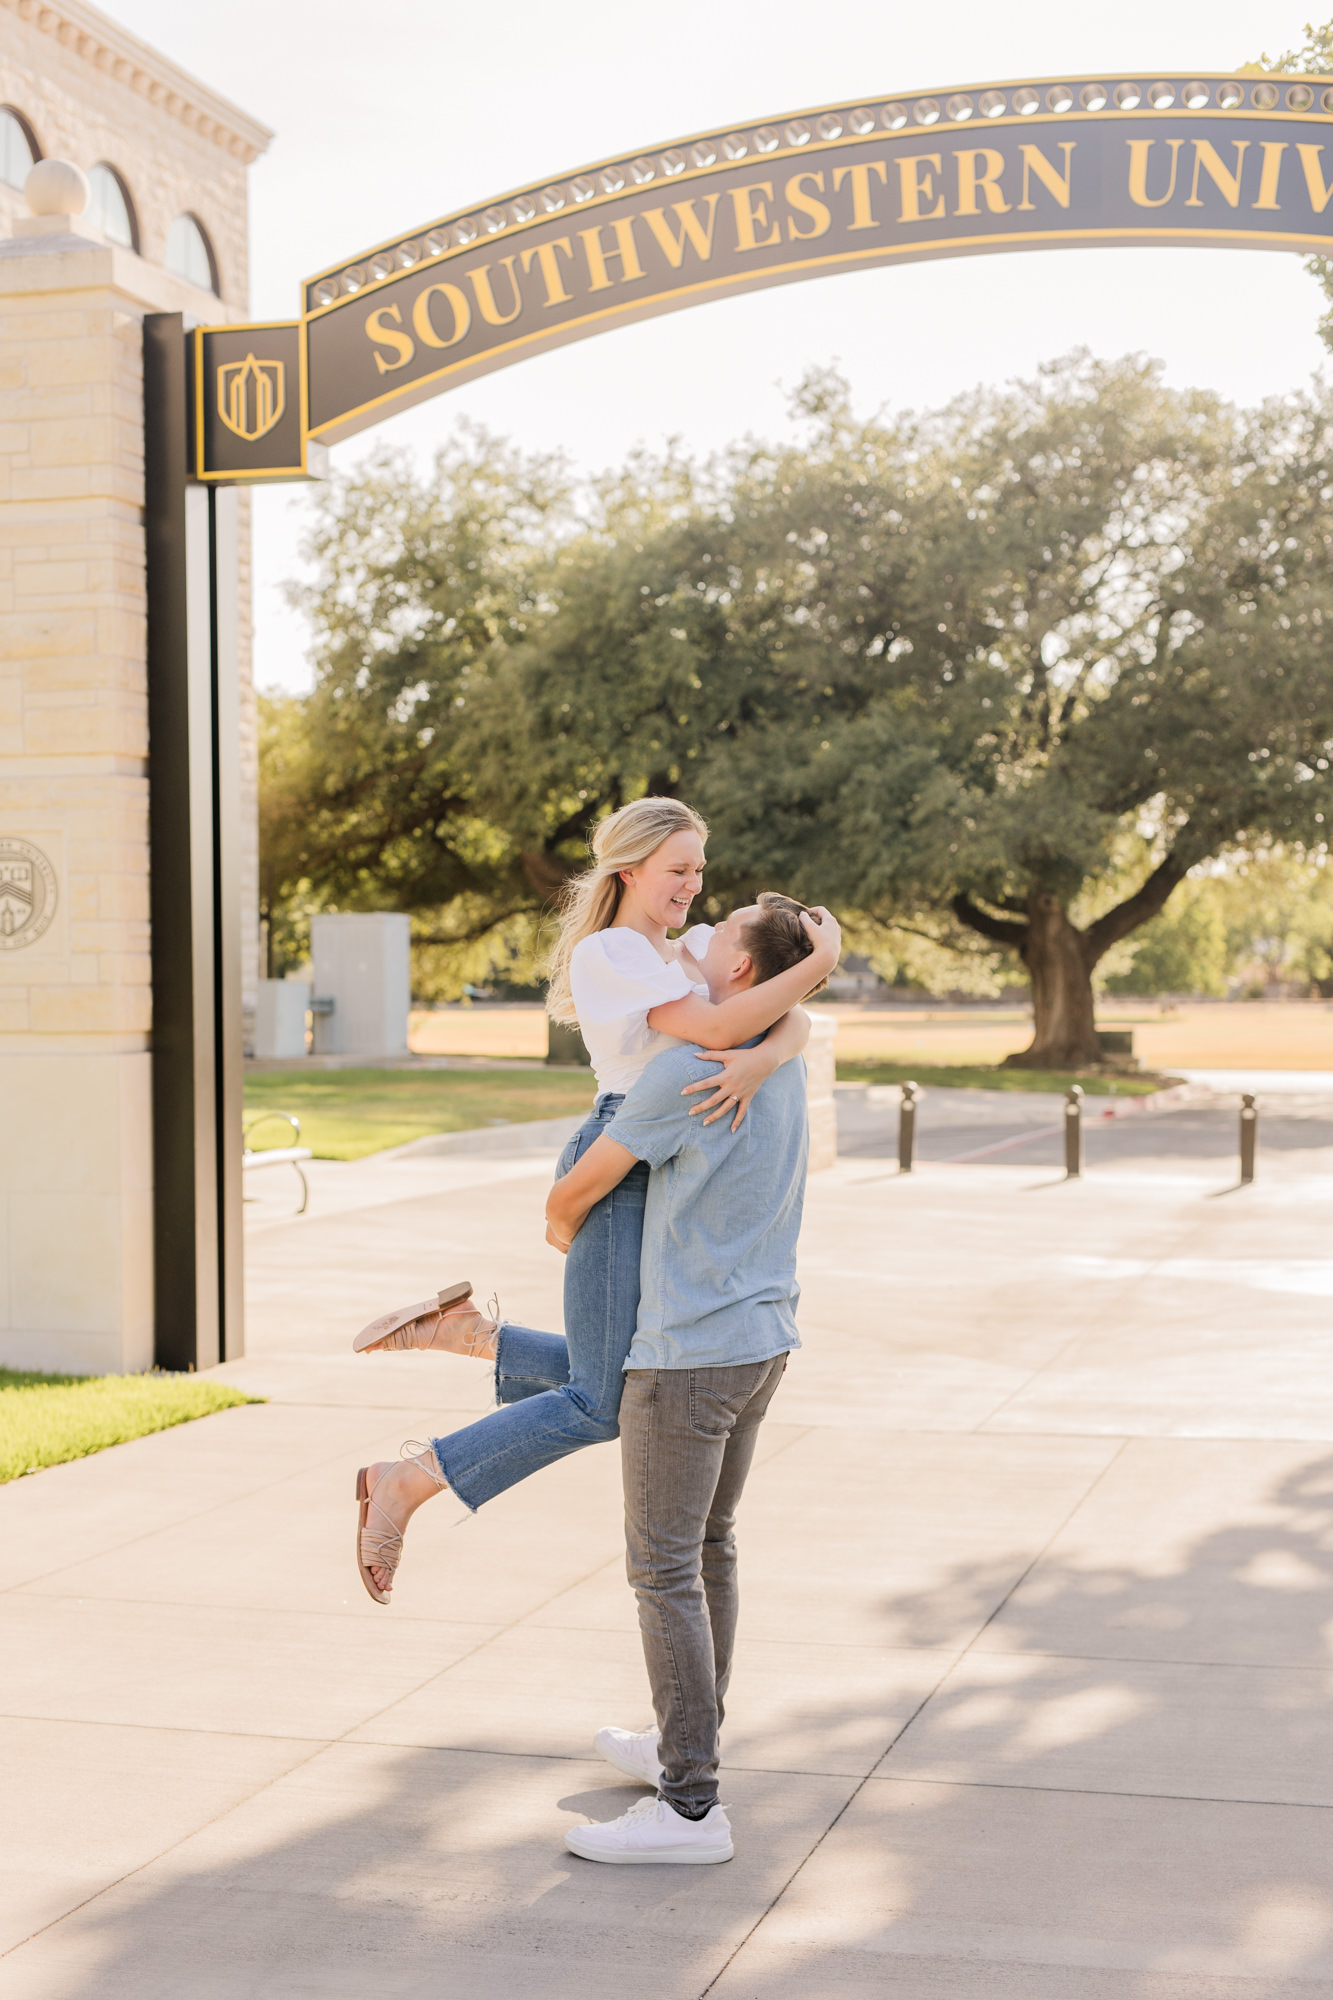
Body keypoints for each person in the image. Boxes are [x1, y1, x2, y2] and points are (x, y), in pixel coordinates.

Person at [351, 797, 840, 1603]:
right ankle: (406, 1480)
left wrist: (772, 1049)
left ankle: (470, 1335)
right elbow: (719, 1029)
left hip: (667, 1151)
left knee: (629, 1369)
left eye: (699, 870)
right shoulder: (613, 952)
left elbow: (779, 1017)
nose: (692, 885)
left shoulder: (684, 950)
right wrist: (810, 972)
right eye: (677, 870)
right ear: (629, 868)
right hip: (622, 1148)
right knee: (598, 1401)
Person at [546, 893, 821, 1865]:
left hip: (688, 1353)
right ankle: (686, 1740)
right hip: (762, 1338)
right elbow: (798, 1015)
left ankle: (690, 1807)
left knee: (661, 1568)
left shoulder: (684, 1067)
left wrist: (561, 1213)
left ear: (739, 972)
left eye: (721, 929)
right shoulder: (778, 1054)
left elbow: (579, 1190)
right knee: (710, 1547)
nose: (698, 933)